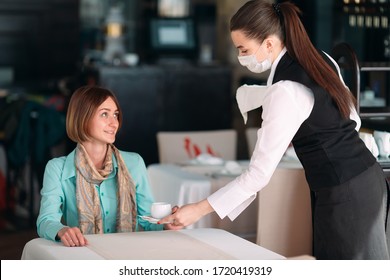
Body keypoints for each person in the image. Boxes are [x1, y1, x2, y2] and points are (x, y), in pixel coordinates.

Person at [160, 0, 389, 260]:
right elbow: (352, 118)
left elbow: (257, 175)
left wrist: (198, 210)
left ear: (269, 43)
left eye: (243, 49)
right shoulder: (320, 59)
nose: (240, 57)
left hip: (345, 192)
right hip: (369, 177)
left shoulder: (284, 90)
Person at [37, 86, 181, 247]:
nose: (114, 123)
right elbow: (46, 220)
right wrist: (62, 230)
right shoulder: (57, 168)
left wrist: (165, 224)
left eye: (116, 115)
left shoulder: (134, 163)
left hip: (127, 254)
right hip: (84, 255)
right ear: (82, 117)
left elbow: (147, 219)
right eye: (104, 114)